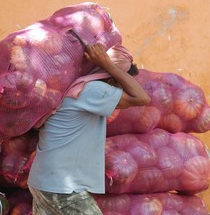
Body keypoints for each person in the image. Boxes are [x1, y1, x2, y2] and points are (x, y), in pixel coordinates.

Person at [27, 43, 151, 215]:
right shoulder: (91, 90)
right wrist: (107, 64)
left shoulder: (77, 88)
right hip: (62, 188)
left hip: (44, 180)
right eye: (120, 83)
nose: (120, 90)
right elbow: (142, 98)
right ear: (111, 79)